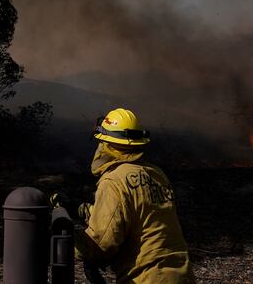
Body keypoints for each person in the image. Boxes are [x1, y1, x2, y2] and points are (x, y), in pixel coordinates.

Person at [75, 108, 195, 283]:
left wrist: (68, 245)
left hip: (146, 278)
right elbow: (140, 215)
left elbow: (101, 244)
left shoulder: (113, 181)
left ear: (106, 144)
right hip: (182, 276)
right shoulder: (157, 174)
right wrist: (86, 211)